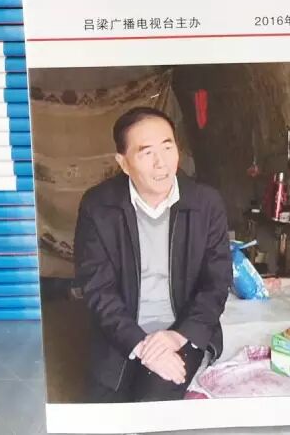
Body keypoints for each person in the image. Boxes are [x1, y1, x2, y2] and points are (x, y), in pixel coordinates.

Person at [74, 106, 232, 403]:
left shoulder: (205, 203)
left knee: (153, 403)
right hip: (120, 334)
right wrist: (140, 344)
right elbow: (97, 289)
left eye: (168, 147)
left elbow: (217, 282)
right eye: (147, 152)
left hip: (183, 330)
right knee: (104, 413)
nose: (161, 163)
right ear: (123, 163)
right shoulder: (99, 206)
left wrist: (176, 336)